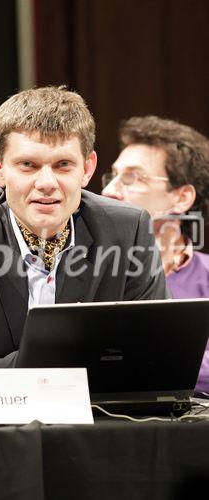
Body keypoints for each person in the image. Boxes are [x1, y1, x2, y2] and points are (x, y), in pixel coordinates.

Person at [0, 87, 167, 367]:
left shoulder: (129, 230)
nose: (46, 183)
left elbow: (153, 351)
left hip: (101, 410)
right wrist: (53, 367)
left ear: (87, 169)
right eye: (28, 165)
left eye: (63, 165)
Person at [101, 115, 209, 393]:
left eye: (132, 178)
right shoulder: (83, 269)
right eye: (112, 177)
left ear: (182, 198)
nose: (109, 191)